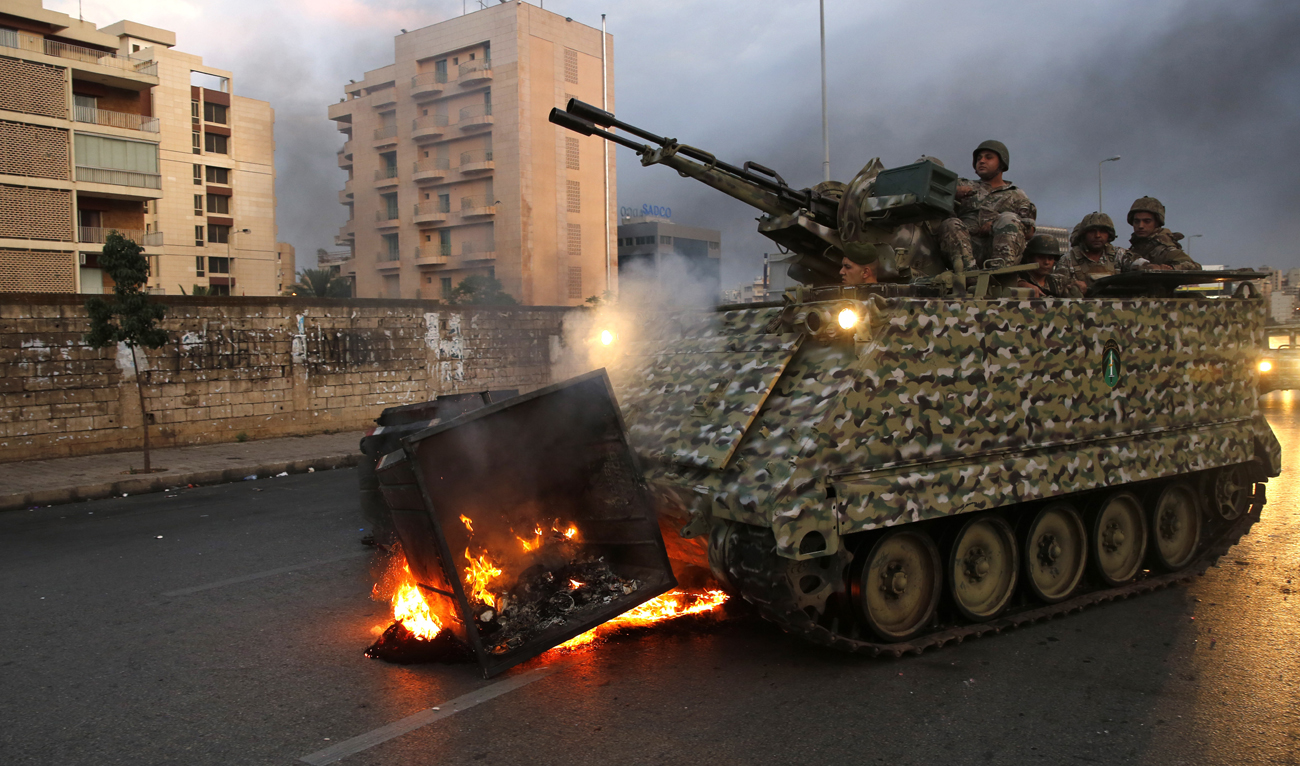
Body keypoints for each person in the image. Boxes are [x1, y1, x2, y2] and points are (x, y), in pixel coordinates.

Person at [938, 140, 1036, 271]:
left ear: (1001, 163)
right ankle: (968, 273)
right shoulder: (963, 185)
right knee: (950, 223)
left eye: (988, 157)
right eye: (979, 158)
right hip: (965, 250)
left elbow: (1029, 232)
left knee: (1008, 218)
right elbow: (931, 191)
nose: (982, 161)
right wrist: (953, 192)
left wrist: (996, 223)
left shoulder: (1016, 195)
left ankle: (1000, 273)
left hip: (997, 251)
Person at [1054, 212, 1128, 294]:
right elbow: (1057, 283)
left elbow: (1141, 267)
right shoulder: (1068, 259)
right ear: (1083, 235)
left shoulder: (1120, 254)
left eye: (1103, 231)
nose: (1097, 235)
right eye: (1092, 231)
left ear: (1109, 235)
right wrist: (1071, 284)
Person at [1124, 196, 1201, 271]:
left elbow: (1195, 267)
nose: (1140, 226)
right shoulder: (1134, 249)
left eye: (1147, 221)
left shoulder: (1164, 250)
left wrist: (1168, 269)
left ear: (1157, 223)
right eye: (1136, 221)